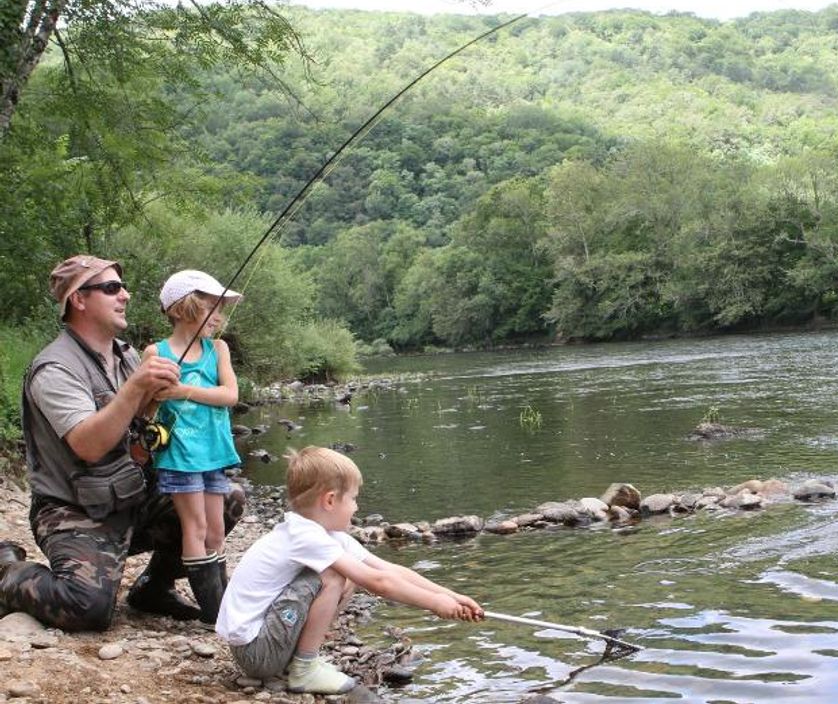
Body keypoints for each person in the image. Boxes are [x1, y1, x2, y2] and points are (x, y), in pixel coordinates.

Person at [0, 255, 246, 631]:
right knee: (88, 608)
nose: (126, 296)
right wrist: (137, 388)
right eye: (112, 288)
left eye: (123, 287)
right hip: (77, 510)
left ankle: (154, 588)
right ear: (78, 300)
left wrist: (164, 400)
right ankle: (6, 570)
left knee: (226, 499)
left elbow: (145, 421)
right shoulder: (55, 369)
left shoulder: (129, 355)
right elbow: (88, 445)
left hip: (133, 495)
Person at [216, 446, 485, 695]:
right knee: (334, 576)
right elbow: (379, 582)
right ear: (330, 500)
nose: (357, 507)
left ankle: (300, 660)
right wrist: (434, 605)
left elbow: (390, 570)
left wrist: (450, 596)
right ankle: (304, 669)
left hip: (267, 643)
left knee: (346, 574)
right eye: (354, 499)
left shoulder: (329, 536)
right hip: (255, 653)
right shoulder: (304, 535)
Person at [142, 269, 243, 625]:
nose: (220, 316)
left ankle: (221, 607)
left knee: (215, 531)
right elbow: (147, 408)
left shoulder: (218, 349)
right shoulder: (157, 351)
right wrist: (157, 394)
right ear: (186, 308)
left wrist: (182, 390)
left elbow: (230, 395)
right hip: (179, 455)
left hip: (214, 453)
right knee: (195, 528)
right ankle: (215, 616)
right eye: (213, 307)